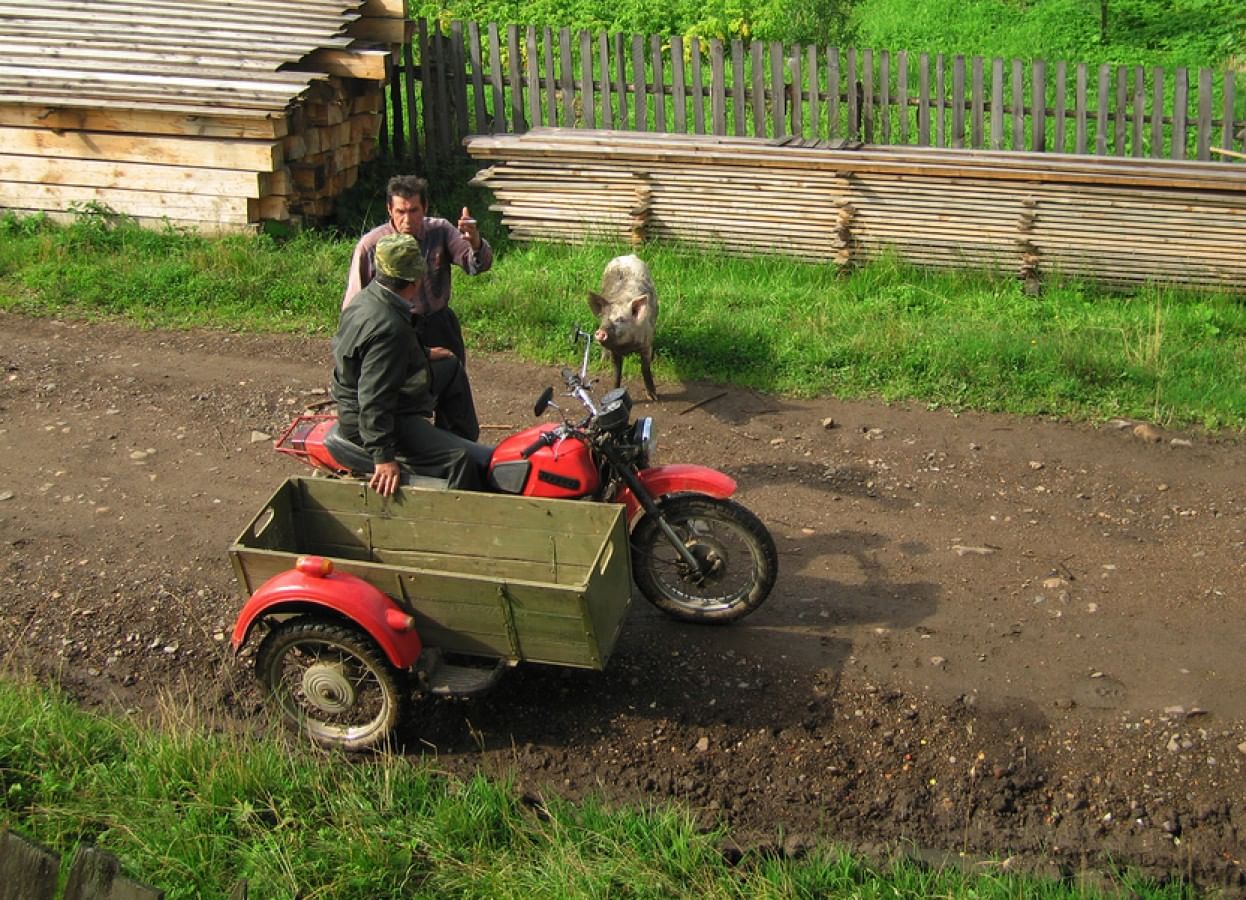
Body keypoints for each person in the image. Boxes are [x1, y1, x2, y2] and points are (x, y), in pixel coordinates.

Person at [331, 233, 490, 497]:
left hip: (388, 395)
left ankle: (453, 438)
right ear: (415, 281)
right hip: (375, 419)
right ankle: (460, 511)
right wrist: (383, 456)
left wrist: (422, 353)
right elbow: (373, 398)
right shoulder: (388, 329)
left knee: (450, 367)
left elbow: (366, 354)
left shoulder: (369, 297)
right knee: (461, 460)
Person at [343, 174, 492, 441]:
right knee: (403, 396)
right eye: (400, 211)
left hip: (438, 323)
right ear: (390, 209)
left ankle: (458, 448)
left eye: (414, 211)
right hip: (396, 330)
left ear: (425, 208)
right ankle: (400, 448)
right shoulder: (371, 245)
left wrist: (475, 242)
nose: (407, 219)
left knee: (451, 387)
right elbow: (354, 307)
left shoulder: (441, 231)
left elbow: (475, 265)